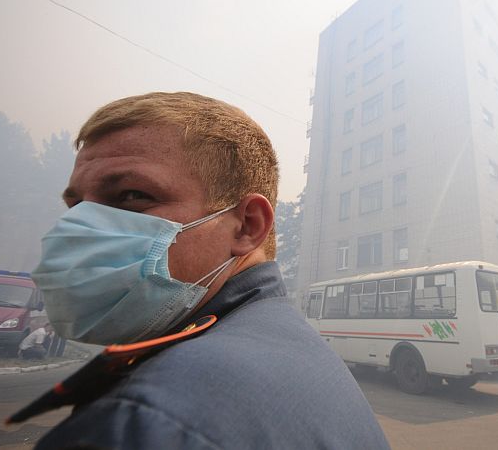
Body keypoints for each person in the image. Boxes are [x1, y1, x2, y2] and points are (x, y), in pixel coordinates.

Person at [26, 93, 390, 449]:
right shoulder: (291, 345)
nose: (81, 230)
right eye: (75, 207)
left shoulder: (148, 419)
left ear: (247, 226)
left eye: (131, 196)